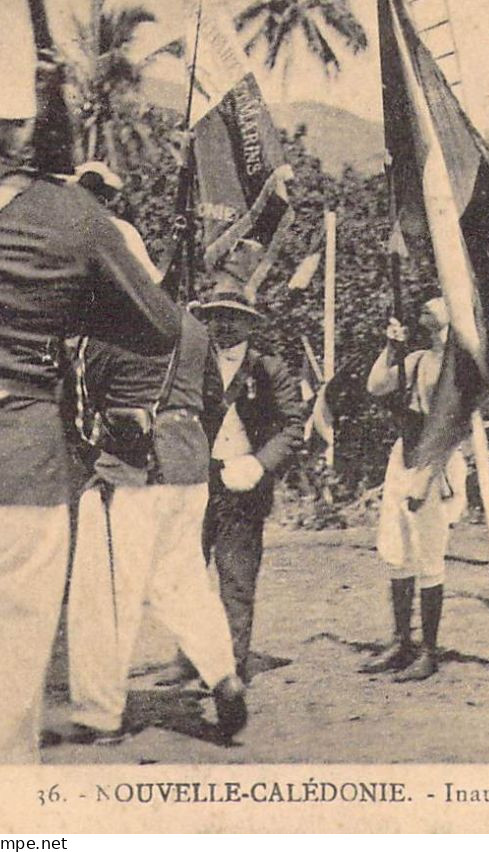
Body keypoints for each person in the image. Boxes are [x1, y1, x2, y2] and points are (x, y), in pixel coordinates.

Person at [0, 117, 184, 763]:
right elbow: (156, 325)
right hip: (14, 447)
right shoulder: (69, 214)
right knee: (1, 683)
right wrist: (67, 306)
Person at [59, 311, 247, 743]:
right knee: (183, 583)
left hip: (131, 471)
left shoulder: (109, 327)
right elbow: (213, 399)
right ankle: (222, 674)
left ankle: (100, 715)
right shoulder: (194, 328)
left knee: (106, 596)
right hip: (189, 468)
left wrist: (94, 461)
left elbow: (80, 404)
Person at [189, 285, 304, 682]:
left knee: (236, 576)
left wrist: (259, 464)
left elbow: (293, 427)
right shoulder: (191, 361)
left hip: (243, 482)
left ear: (249, 324)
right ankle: (189, 657)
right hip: (197, 479)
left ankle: (231, 666)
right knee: (185, 571)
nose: (223, 324)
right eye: (217, 315)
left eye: (233, 316)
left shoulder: (268, 369)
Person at [361, 298, 457, 681]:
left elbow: (455, 422)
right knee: (397, 549)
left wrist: (428, 474)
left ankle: (429, 652)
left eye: (439, 304)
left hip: (435, 459)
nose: (428, 308)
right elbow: (376, 385)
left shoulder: (459, 365)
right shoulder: (417, 358)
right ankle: (402, 641)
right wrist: (392, 347)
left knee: (429, 552)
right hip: (404, 452)